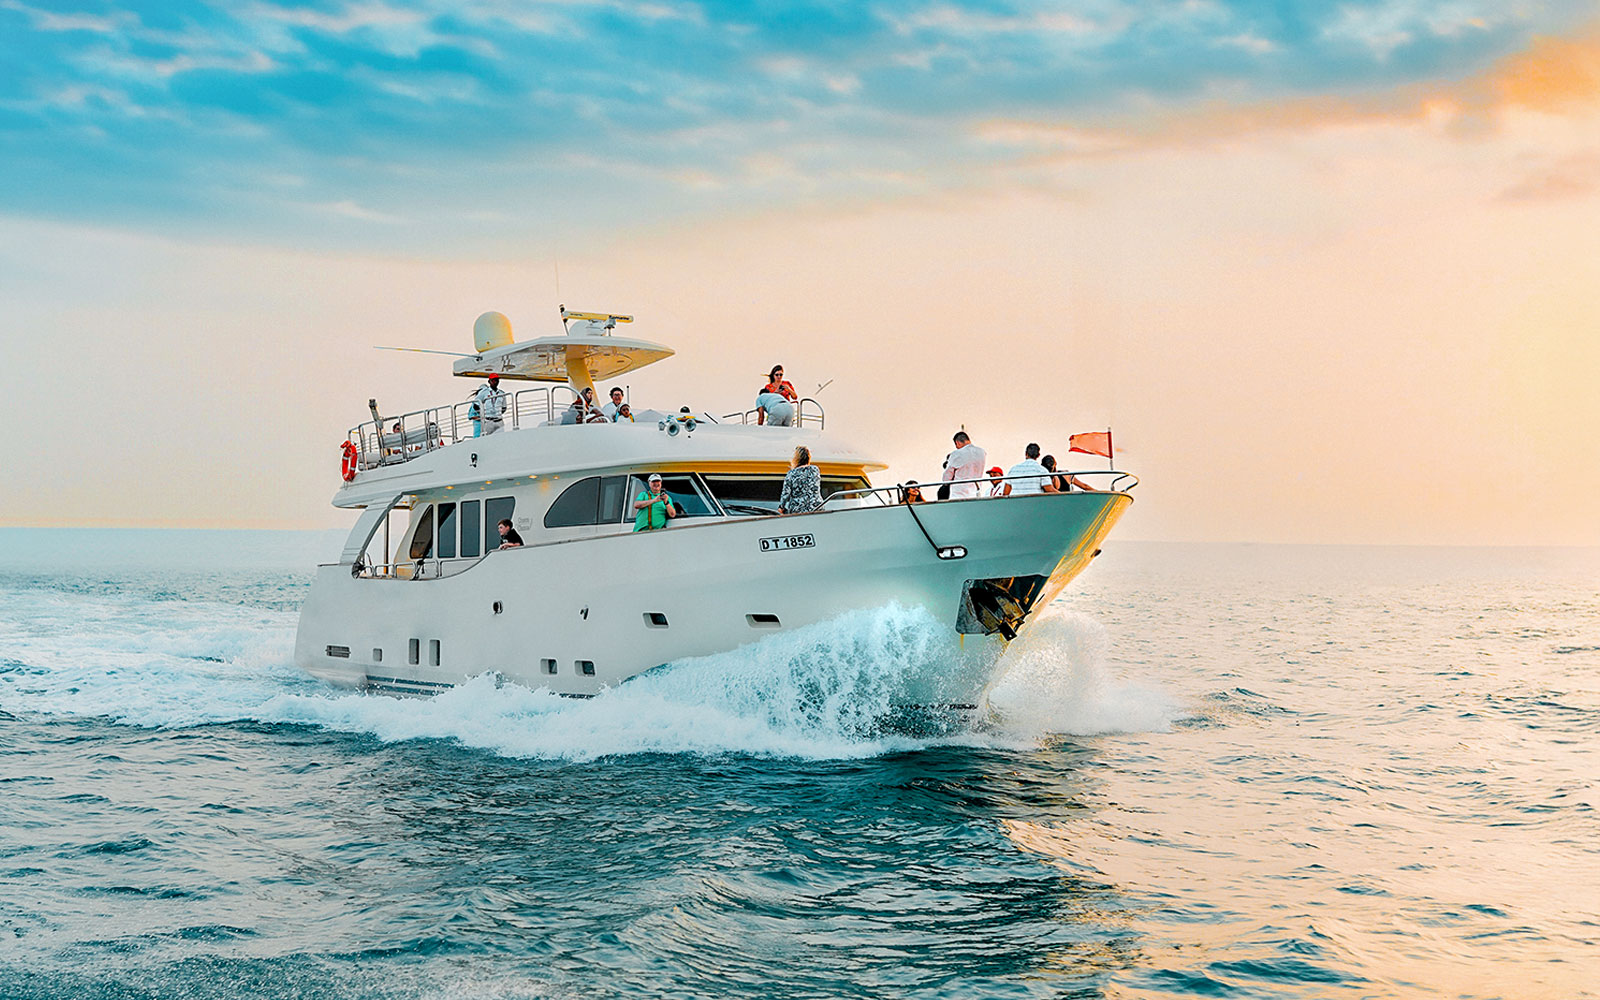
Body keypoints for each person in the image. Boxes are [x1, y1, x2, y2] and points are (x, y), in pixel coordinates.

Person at [941, 431, 987, 499]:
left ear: (957, 442)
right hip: (975, 492)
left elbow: (946, 478)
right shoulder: (982, 452)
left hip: (959, 494)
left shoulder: (956, 453)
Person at [778, 445, 823, 514]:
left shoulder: (791, 474)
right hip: (816, 508)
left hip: (798, 510)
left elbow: (786, 493)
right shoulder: (815, 470)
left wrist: (781, 507)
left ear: (796, 458)